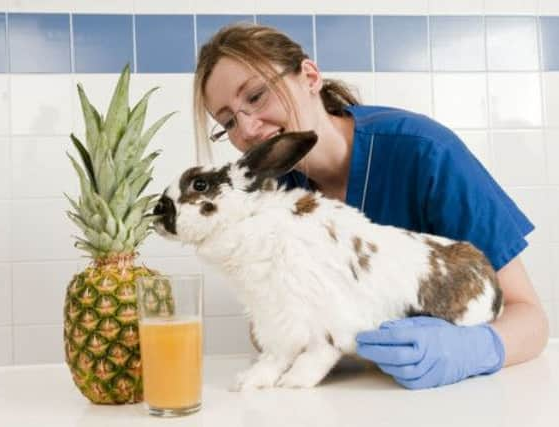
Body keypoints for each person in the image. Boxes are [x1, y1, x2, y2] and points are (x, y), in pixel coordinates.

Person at [192, 23, 549, 389]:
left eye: (256, 96)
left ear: (310, 76)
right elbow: (268, 328)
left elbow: (531, 320)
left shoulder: (424, 152)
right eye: (228, 122)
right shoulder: (273, 193)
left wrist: (471, 348)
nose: (247, 131)